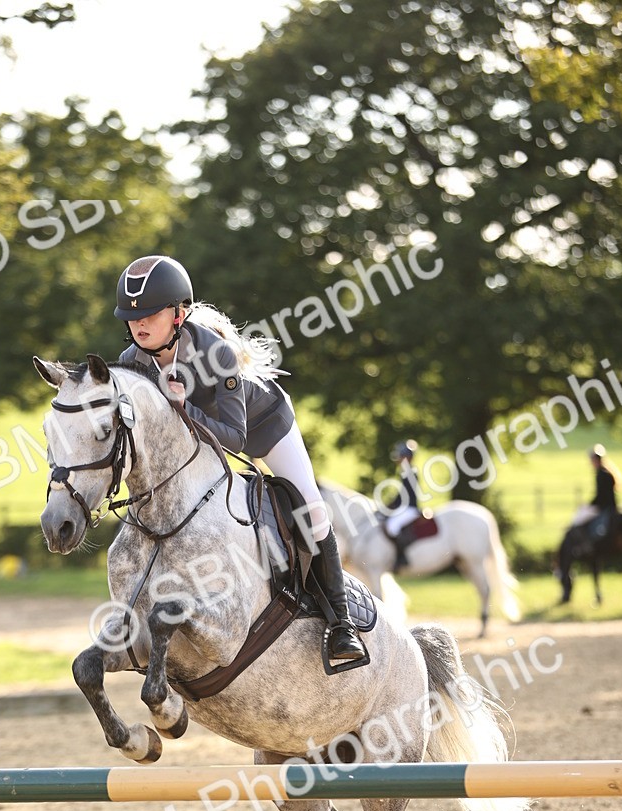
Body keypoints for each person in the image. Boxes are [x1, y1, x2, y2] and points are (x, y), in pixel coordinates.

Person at [113, 254, 365, 662]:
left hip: (264, 426)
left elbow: (234, 437)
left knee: (312, 512)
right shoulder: (131, 365)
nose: (138, 324)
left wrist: (182, 407)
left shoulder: (217, 353)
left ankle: (341, 623)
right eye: (131, 316)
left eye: (151, 314)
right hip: (199, 441)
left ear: (178, 315)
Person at [570, 443, 620, 545]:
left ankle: (586, 544)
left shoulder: (601, 474)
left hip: (604, 506)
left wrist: (590, 504)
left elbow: (601, 495)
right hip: (608, 505)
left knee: (579, 519)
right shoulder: (606, 472)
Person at [383, 440, 421, 569]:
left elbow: (405, 496)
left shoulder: (410, 473)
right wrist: (390, 504)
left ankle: (402, 557)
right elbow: (401, 495)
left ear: (408, 457)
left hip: (409, 508)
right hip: (404, 507)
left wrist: (393, 504)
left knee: (392, 526)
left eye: (401, 456)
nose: (398, 460)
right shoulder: (406, 472)